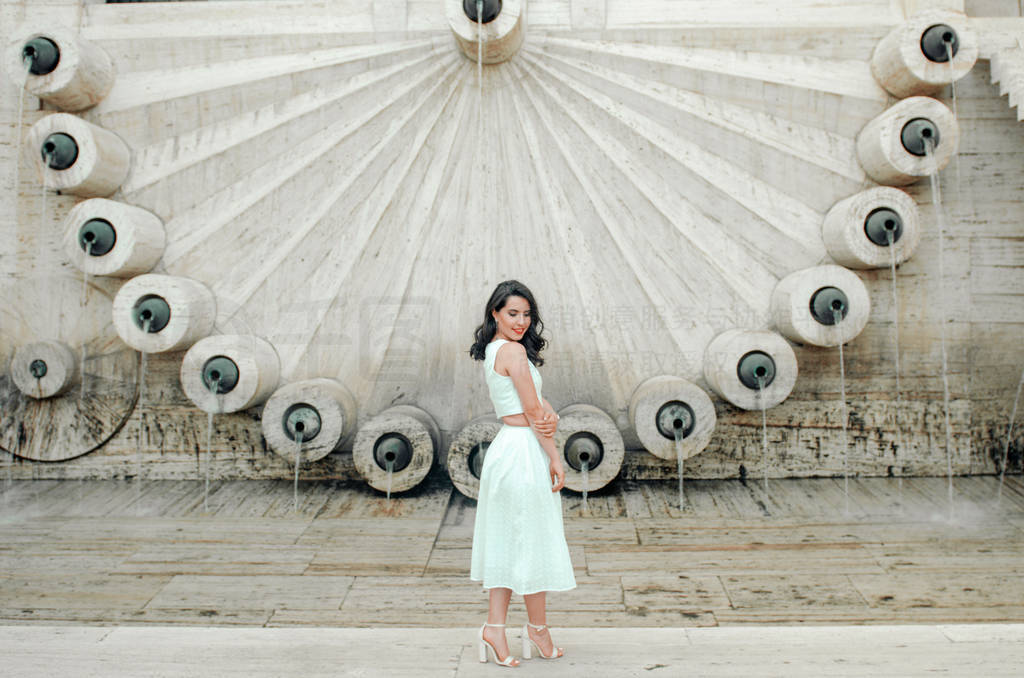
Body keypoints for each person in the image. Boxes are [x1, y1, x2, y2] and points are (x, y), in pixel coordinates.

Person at [467, 279, 577, 667]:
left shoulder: (501, 350)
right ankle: (535, 629)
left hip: (510, 448)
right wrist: (555, 456)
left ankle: (498, 628)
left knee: (510, 541)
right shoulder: (511, 351)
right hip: (522, 450)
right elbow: (533, 411)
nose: (521, 321)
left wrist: (550, 414)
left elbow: (537, 402)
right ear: (495, 313)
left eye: (527, 314)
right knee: (531, 540)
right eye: (512, 313)